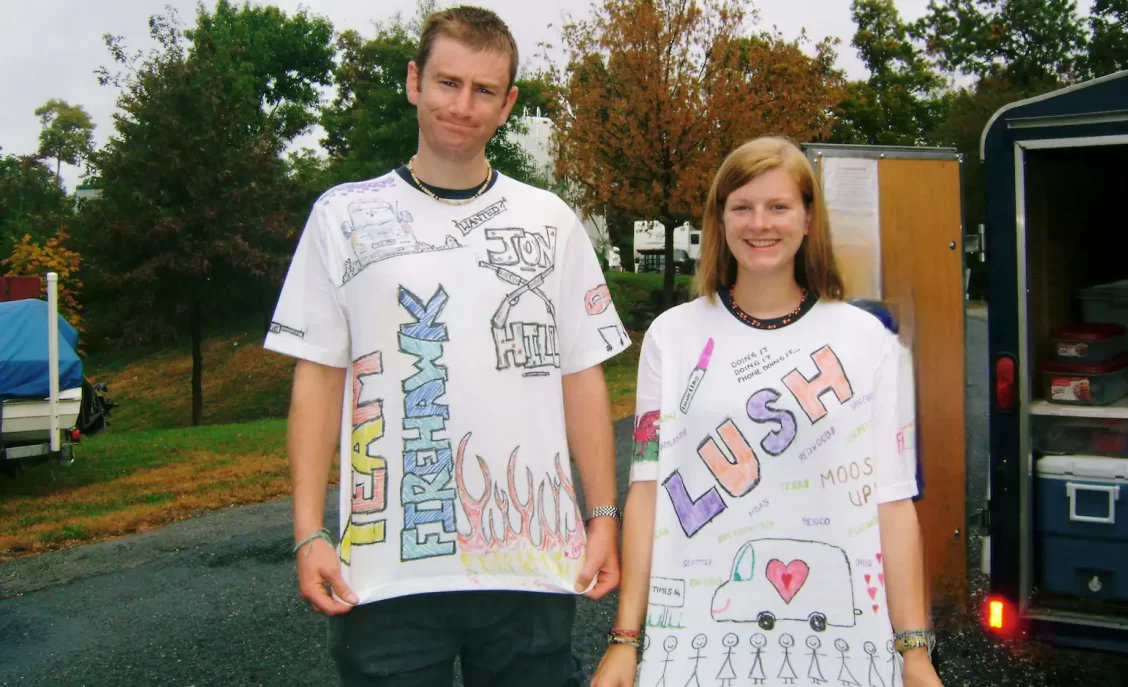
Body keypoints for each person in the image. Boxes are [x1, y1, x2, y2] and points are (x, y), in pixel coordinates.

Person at [263, 6, 630, 686]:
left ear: (507, 103)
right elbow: (317, 380)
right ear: (414, 82)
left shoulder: (549, 221)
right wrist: (309, 529)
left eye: (484, 90)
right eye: (447, 82)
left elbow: (582, 376)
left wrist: (602, 514)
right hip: (385, 572)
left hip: (531, 564)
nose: (462, 106)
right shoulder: (343, 216)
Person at [591, 136, 944, 687]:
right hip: (695, 644)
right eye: (742, 207)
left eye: (779, 206)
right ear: (720, 220)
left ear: (808, 219)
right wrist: (625, 640)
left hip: (843, 646)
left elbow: (894, 505)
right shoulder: (672, 336)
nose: (761, 223)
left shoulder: (867, 341)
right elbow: (648, 490)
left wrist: (915, 650)